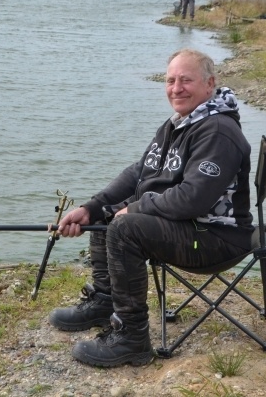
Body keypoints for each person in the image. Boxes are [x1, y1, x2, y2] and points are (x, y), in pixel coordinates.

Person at [49, 48, 255, 367]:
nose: (176, 88)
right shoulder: (180, 122)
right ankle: (105, 302)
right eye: (171, 80)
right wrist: (93, 208)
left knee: (125, 227)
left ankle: (132, 339)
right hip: (191, 228)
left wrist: (134, 210)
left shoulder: (217, 131)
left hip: (217, 239)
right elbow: (139, 172)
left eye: (186, 80)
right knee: (110, 215)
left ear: (210, 83)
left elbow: (193, 198)